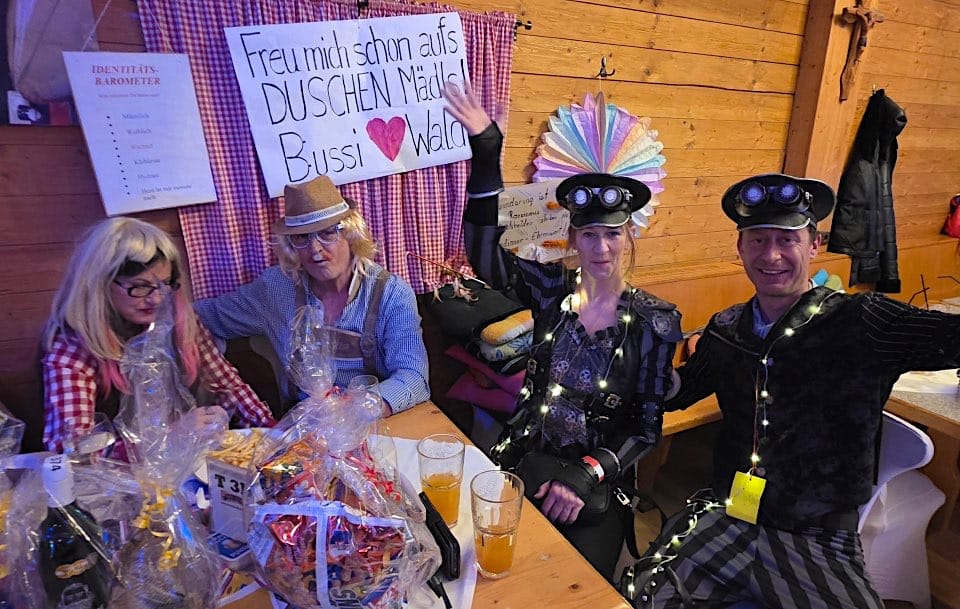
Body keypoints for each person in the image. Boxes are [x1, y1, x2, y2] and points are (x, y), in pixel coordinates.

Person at [636, 173, 960, 608]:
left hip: (817, 536)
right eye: (758, 240)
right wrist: (642, 360)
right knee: (644, 594)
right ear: (740, 248)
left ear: (814, 245)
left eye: (787, 240)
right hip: (728, 512)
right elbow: (681, 391)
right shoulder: (727, 328)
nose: (771, 255)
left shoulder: (862, 320)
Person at [444, 83, 681, 581]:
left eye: (612, 234)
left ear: (629, 235)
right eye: (589, 235)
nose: (601, 248)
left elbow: (645, 428)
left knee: (570, 585)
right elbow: (485, 256)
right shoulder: (551, 290)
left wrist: (584, 474)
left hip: (596, 482)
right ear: (573, 237)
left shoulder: (654, 321)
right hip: (523, 459)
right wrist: (486, 151)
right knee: (473, 567)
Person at [194, 175, 430, 417]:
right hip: (305, 424)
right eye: (301, 238)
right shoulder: (276, 288)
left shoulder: (391, 294)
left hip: (376, 421)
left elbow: (414, 378)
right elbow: (200, 317)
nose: (315, 249)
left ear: (351, 234)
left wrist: (353, 411)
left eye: (327, 233)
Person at [42, 217, 275, 453]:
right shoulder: (73, 346)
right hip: (120, 473)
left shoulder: (181, 322)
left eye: (164, 284)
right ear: (100, 284)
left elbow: (229, 387)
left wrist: (274, 436)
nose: (156, 299)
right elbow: (70, 448)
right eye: (140, 286)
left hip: (188, 461)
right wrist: (169, 438)